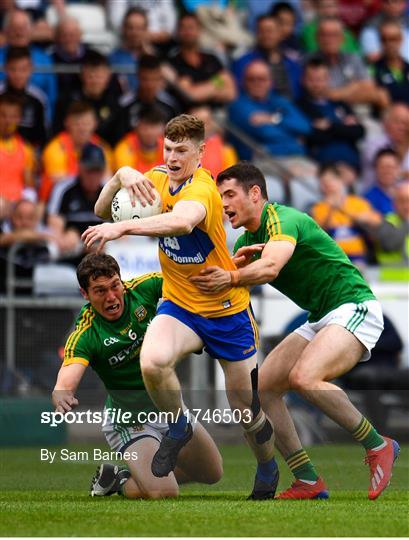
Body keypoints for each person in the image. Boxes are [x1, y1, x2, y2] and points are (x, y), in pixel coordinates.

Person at [82, 114, 279, 500]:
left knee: (245, 410)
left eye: (182, 150)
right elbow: (102, 209)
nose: (172, 157)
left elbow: (181, 223)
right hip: (180, 305)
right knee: (153, 361)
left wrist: (122, 229)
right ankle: (177, 425)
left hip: (226, 311)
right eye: (168, 148)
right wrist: (121, 173)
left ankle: (268, 466)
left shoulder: (204, 189)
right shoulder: (154, 178)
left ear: (200, 152)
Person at [189, 161, 400, 500]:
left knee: (305, 378)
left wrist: (230, 275)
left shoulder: (282, 219)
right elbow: (228, 279)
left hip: (354, 306)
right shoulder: (248, 239)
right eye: (220, 196)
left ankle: (378, 444)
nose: (224, 204)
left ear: (255, 194)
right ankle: (307, 479)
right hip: (321, 316)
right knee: (265, 390)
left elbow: (271, 267)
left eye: (230, 194)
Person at [52, 252, 223, 499]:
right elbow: (67, 377)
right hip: (131, 422)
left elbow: (187, 282)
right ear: (85, 294)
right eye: (100, 291)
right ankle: (119, 483)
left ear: (121, 281)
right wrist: (62, 395)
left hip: (171, 409)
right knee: (165, 493)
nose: (111, 297)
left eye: (114, 286)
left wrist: (228, 273)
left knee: (212, 473)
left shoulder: (145, 288)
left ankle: (136, 476)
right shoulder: (87, 332)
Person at [311, 164, 381, 266]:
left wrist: (345, 210)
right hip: (333, 258)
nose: (329, 185)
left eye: (332, 180)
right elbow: (318, 235)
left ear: (341, 181)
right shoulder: (318, 208)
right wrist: (331, 210)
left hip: (360, 257)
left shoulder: (358, 203)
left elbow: (377, 222)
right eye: (324, 182)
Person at [1, 45, 48, 147]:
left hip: (27, 156)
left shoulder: (38, 98)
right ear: (5, 68)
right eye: (13, 69)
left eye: (23, 69)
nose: (18, 75)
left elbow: (41, 136)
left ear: (31, 69)